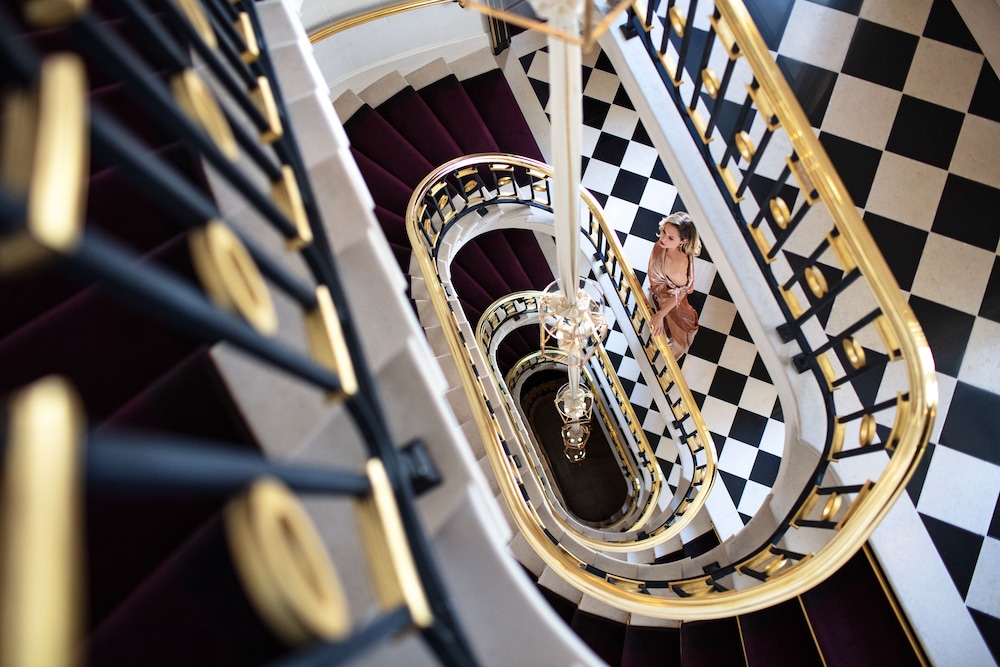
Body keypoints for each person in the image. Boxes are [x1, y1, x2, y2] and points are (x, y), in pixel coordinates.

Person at [647, 211, 701, 358]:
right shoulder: (662, 245)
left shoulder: (677, 268)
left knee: (678, 338)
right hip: (660, 288)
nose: (663, 238)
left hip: (670, 296)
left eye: (670, 238)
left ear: (683, 241)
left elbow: (682, 291)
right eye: (664, 231)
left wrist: (661, 314)